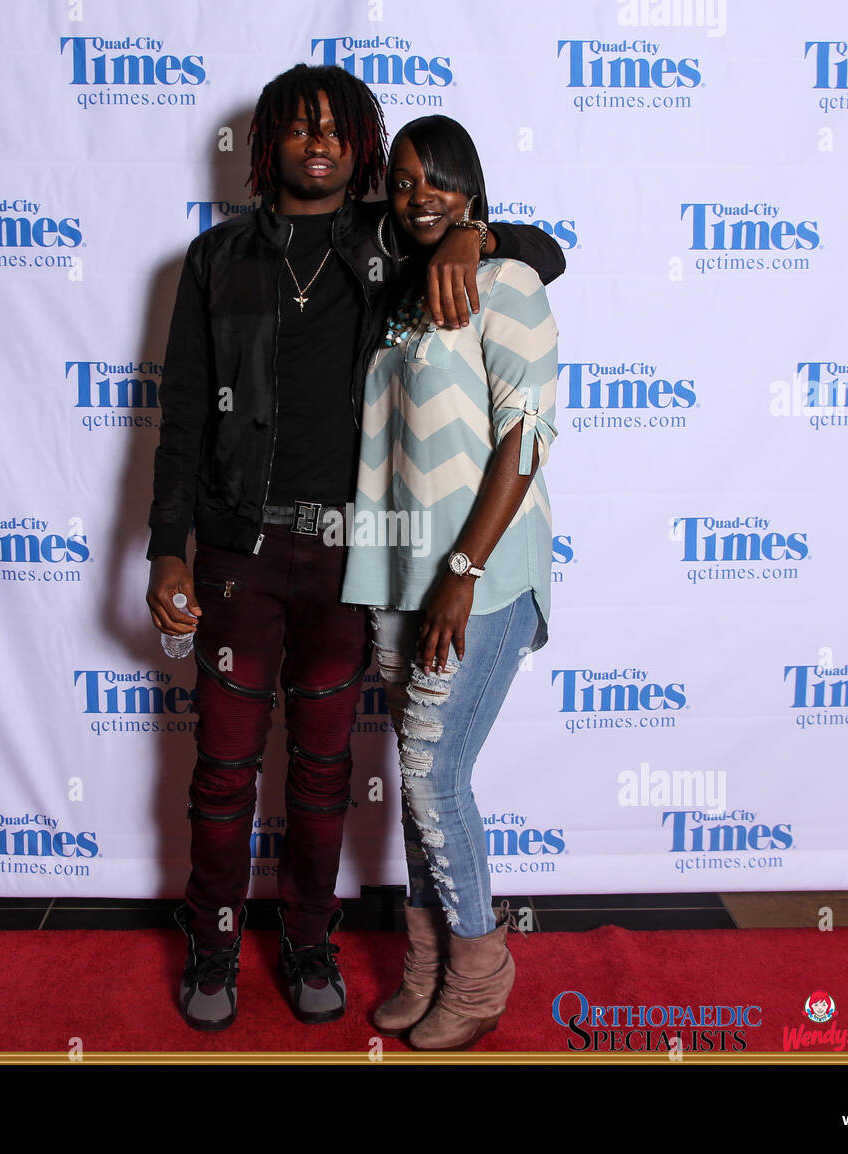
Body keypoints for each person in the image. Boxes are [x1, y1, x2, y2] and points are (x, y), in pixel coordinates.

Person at [146, 66, 564, 1032]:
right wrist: (169, 549)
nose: (320, 142)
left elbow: (538, 254)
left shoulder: (393, 242)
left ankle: (308, 943)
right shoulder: (214, 260)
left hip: (353, 559)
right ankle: (211, 949)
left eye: (338, 128)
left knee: (329, 772)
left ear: (363, 146)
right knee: (222, 765)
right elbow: (178, 420)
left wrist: (477, 231)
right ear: (268, 146)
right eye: (299, 127)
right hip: (239, 554)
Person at [341, 115, 560, 1050]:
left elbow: (526, 434)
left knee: (434, 779)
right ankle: (426, 966)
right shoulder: (397, 298)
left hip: (480, 577)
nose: (420, 195)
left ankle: (478, 976)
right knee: (422, 782)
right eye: (402, 181)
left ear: (471, 189)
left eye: (440, 181)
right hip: (397, 577)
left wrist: (463, 569)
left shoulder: (506, 283)